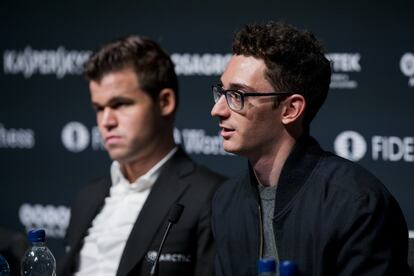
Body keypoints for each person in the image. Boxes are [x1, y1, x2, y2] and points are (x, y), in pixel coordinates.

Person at [210, 21, 412, 275]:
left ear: (291, 109)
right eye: (221, 92)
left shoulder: (356, 203)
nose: (217, 110)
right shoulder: (226, 201)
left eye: (238, 95)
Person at [58, 35, 225, 276]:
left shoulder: (213, 197)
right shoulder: (88, 195)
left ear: (165, 102)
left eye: (120, 104)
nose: (106, 122)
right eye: (99, 108)